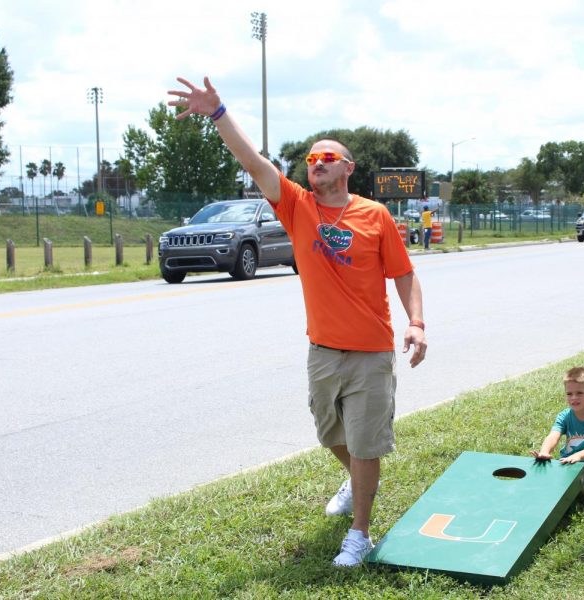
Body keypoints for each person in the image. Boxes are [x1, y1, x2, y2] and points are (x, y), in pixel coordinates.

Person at [168, 77, 427, 568]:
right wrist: (218, 112)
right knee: (331, 434)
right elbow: (252, 162)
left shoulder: (375, 217)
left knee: (367, 441)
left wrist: (416, 322)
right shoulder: (296, 206)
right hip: (323, 350)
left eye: (325, 158)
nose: (315, 164)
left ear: (348, 168)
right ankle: (355, 482)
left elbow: (406, 275)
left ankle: (361, 533)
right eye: (309, 159)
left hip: (371, 351)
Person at [530, 366, 584, 497]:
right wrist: (545, 451)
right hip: (567, 463)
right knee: (540, 472)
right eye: (569, 394)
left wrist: (579, 456)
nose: (573, 398)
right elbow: (552, 437)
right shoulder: (564, 416)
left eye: (579, 393)